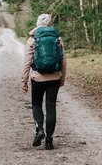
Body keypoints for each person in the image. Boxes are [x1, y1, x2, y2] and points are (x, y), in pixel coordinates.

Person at [22, 14, 66, 150]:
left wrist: (24, 80)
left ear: (37, 24)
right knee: (51, 107)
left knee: (36, 104)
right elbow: (63, 60)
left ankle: (39, 129)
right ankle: (49, 141)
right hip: (54, 77)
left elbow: (27, 62)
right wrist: (62, 78)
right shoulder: (57, 38)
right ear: (49, 24)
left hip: (37, 78)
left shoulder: (32, 39)